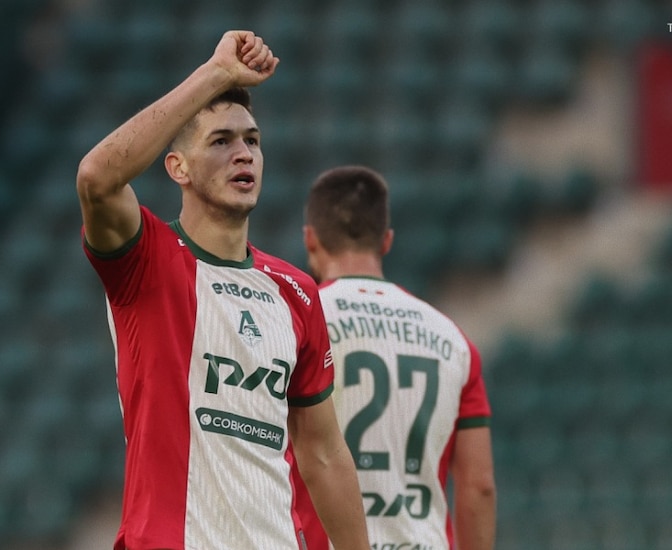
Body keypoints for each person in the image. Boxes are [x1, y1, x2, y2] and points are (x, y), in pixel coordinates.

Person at [76, 31, 370, 550]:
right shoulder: (148, 260)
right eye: (221, 141)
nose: (244, 155)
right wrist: (217, 72)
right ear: (178, 168)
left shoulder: (296, 292)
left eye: (252, 141)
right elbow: (97, 179)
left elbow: (323, 455)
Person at [302, 165, 497, 550]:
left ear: (311, 240)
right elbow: (479, 487)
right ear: (387, 241)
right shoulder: (453, 340)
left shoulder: (298, 322)